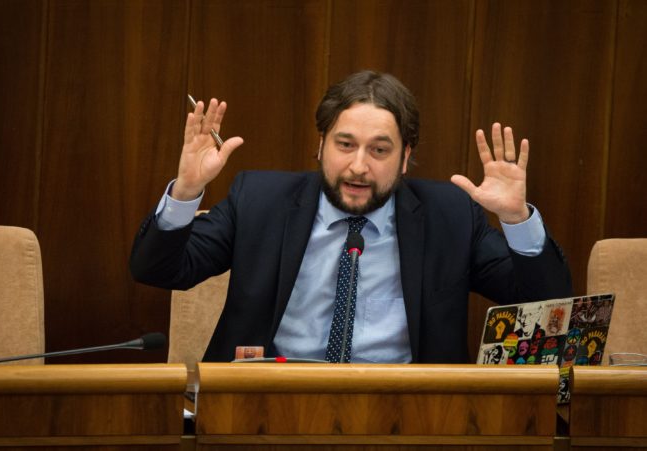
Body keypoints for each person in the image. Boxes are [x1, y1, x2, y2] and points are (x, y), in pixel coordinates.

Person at [130, 70, 572, 363]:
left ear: (405, 157)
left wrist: (516, 218)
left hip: (407, 417)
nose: (359, 166)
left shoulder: (449, 216)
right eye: (345, 145)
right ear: (321, 145)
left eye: (379, 150)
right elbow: (158, 269)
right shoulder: (260, 201)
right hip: (266, 408)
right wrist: (186, 191)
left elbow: (547, 306)